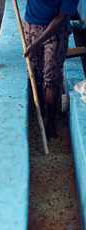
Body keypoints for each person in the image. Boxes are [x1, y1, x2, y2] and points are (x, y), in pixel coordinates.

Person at [22, 0, 80, 139]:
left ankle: (50, 124)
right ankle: (40, 112)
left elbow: (62, 17)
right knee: (34, 72)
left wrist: (36, 43)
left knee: (52, 77)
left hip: (56, 30)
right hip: (30, 26)